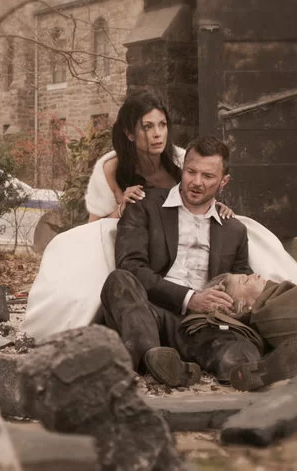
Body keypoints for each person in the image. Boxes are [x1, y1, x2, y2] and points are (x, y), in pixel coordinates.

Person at [22, 91, 297, 341]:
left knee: (246, 234)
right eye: (148, 127)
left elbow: (201, 190)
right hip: (129, 229)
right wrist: (121, 208)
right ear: (130, 133)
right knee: (100, 256)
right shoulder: (111, 167)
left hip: (185, 224)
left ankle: (283, 298)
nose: (158, 133)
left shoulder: (181, 159)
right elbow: (95, 223)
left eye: (162, 125)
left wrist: (220, 208)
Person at [98, 135, 266, 386]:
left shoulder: (234, 230)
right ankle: (155, 359)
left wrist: (230, 303)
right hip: (151, 311)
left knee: (237, 349)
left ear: (223, 181)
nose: (196, 182)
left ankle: (244, 369)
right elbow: (131, 265)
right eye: (191, 172)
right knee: (120, 281)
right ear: (182, 169)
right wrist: (189, 298)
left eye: (208, 176)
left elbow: (241, 277)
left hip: (202, 324)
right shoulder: (144, 205)